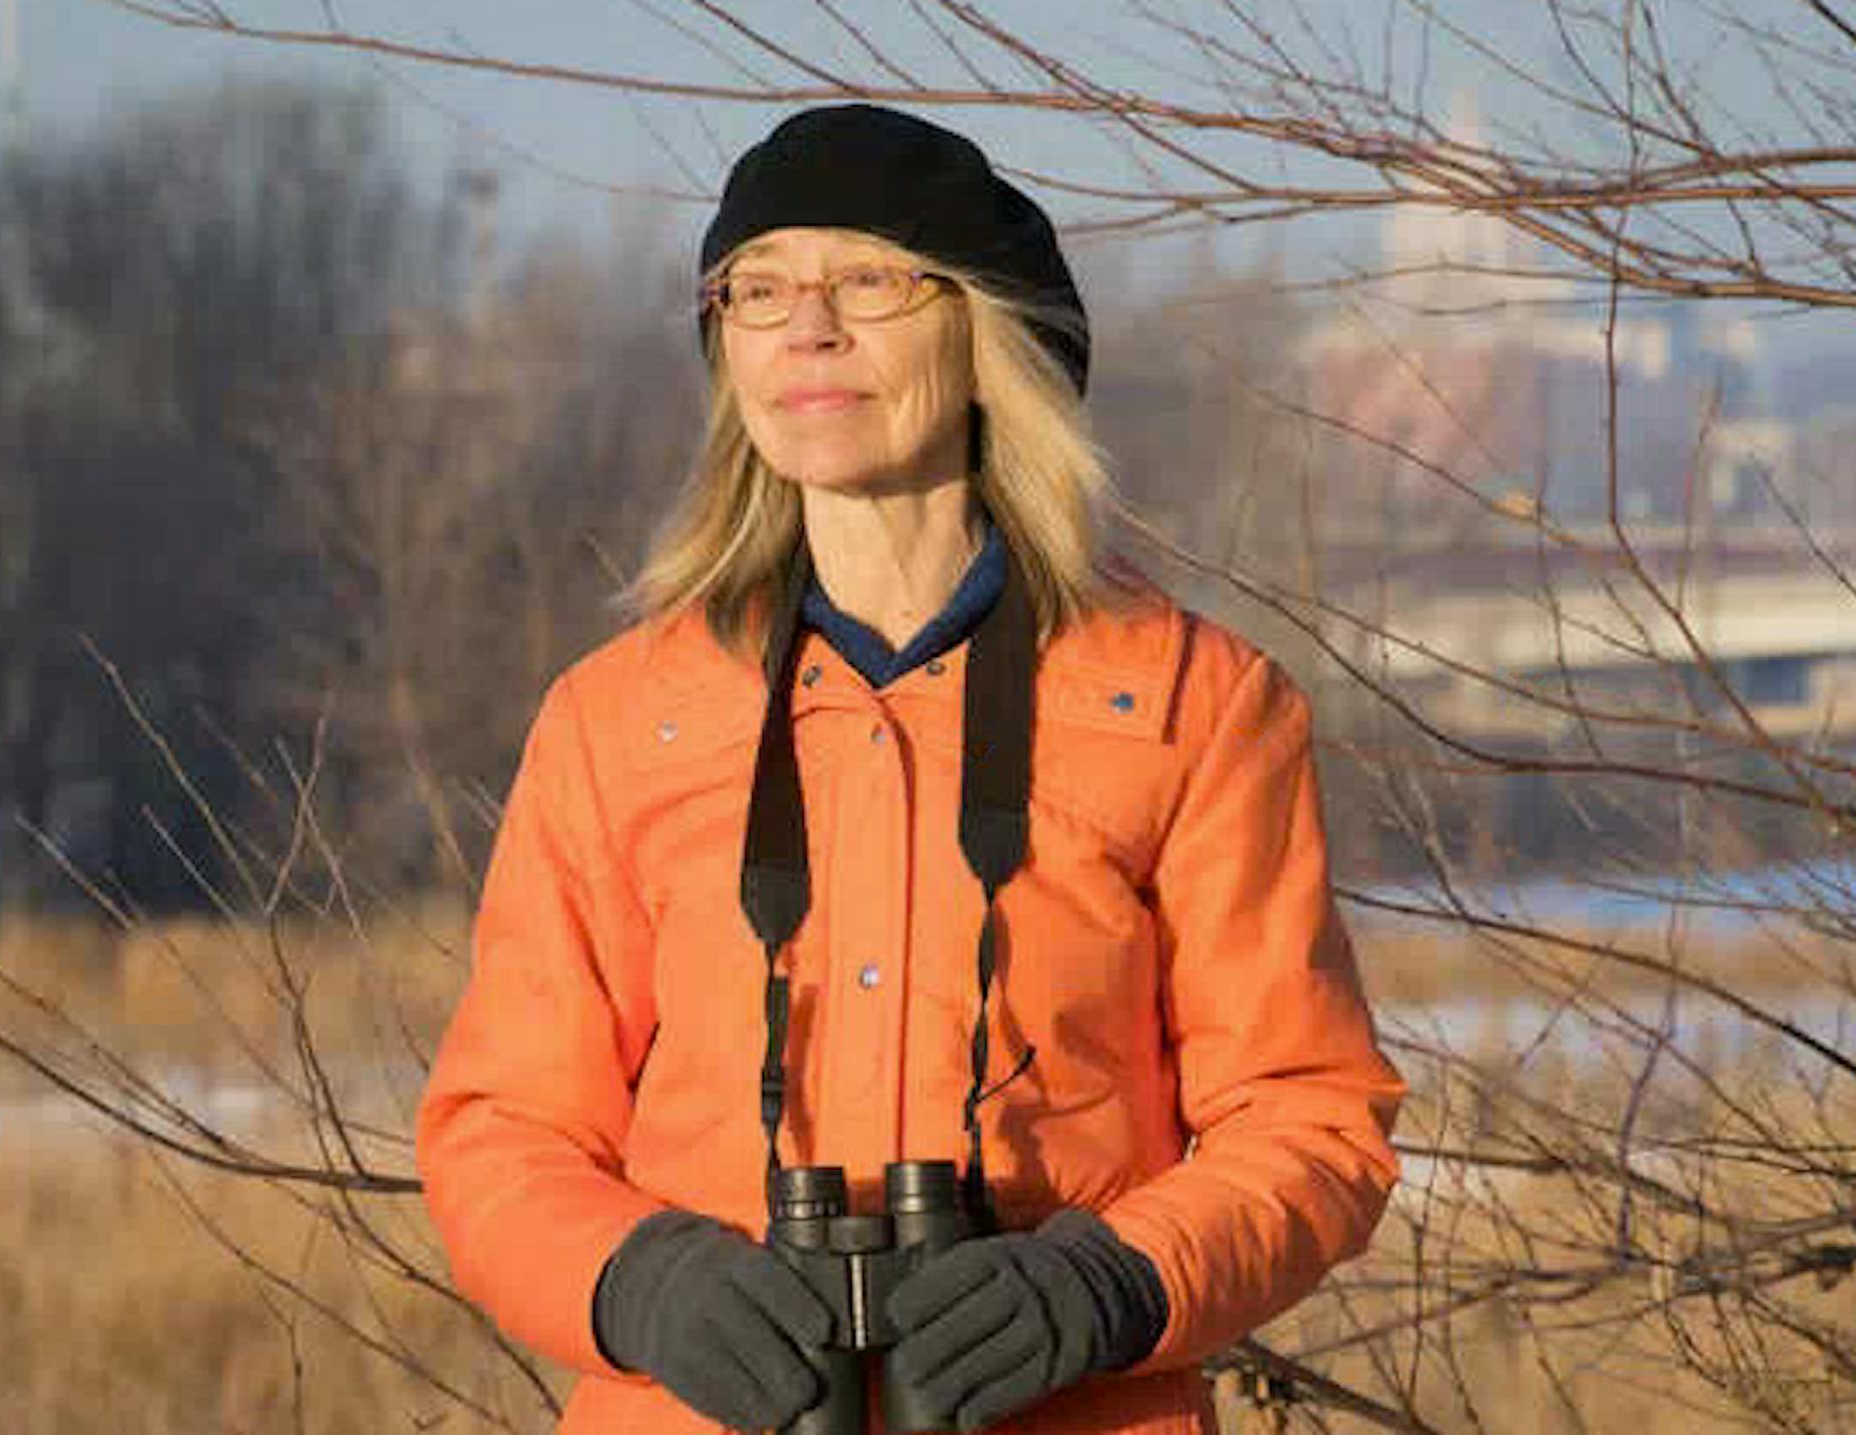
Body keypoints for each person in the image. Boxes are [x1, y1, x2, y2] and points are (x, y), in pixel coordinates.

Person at [415, 104, 1404, 1435]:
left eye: (869, 279)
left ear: (990, 334)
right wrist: (643, 1285)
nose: (806, 328)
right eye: (757, 289)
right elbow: (500, 1131)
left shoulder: (1192, 703)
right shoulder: (621, 720)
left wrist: (1107, 1283)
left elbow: (1310, 1121)